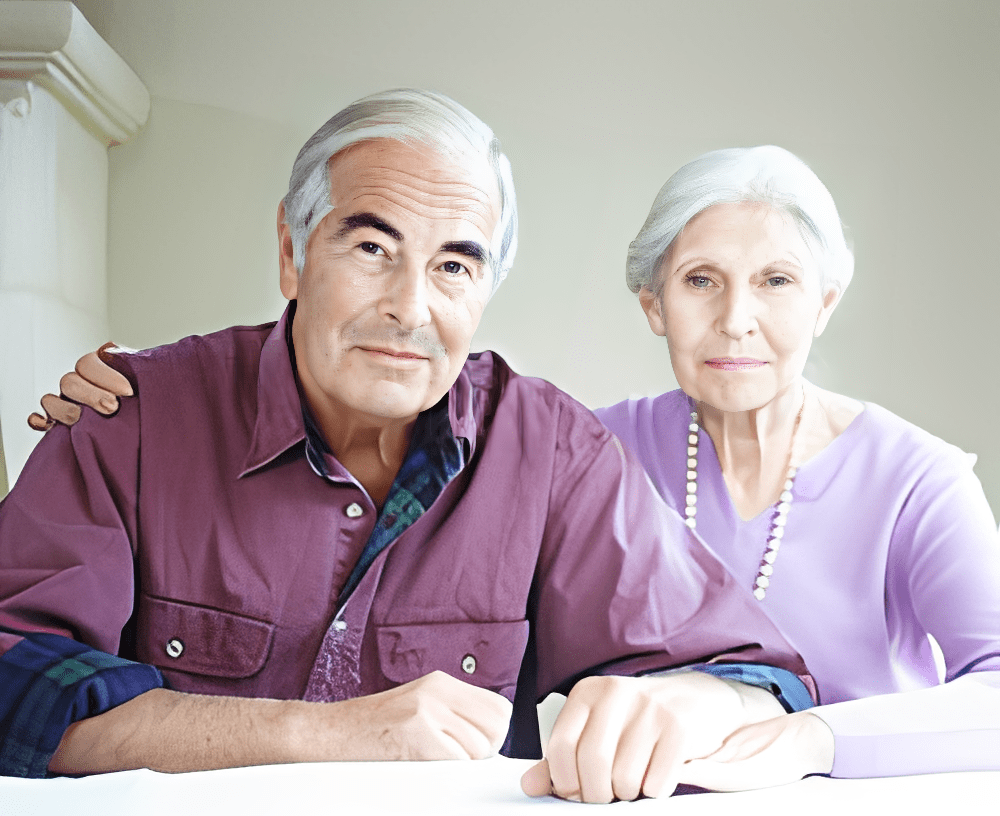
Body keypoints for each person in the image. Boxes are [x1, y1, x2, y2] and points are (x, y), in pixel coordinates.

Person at [0, 90, 816, 801]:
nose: (409, 307)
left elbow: (761, 676)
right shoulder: (130, 417)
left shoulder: (550, 449)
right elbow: (13, 683)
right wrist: (326, 734)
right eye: (370, 249)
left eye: (455, 266)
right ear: (292, 251)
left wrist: (690, 703)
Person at [590, 145, 1000, 782]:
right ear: (654, 305)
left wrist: (814, 739)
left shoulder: (919, 479)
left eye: (775, 281)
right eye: (701, 280)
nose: (735, 321)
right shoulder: (595, 452)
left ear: (824, 305)